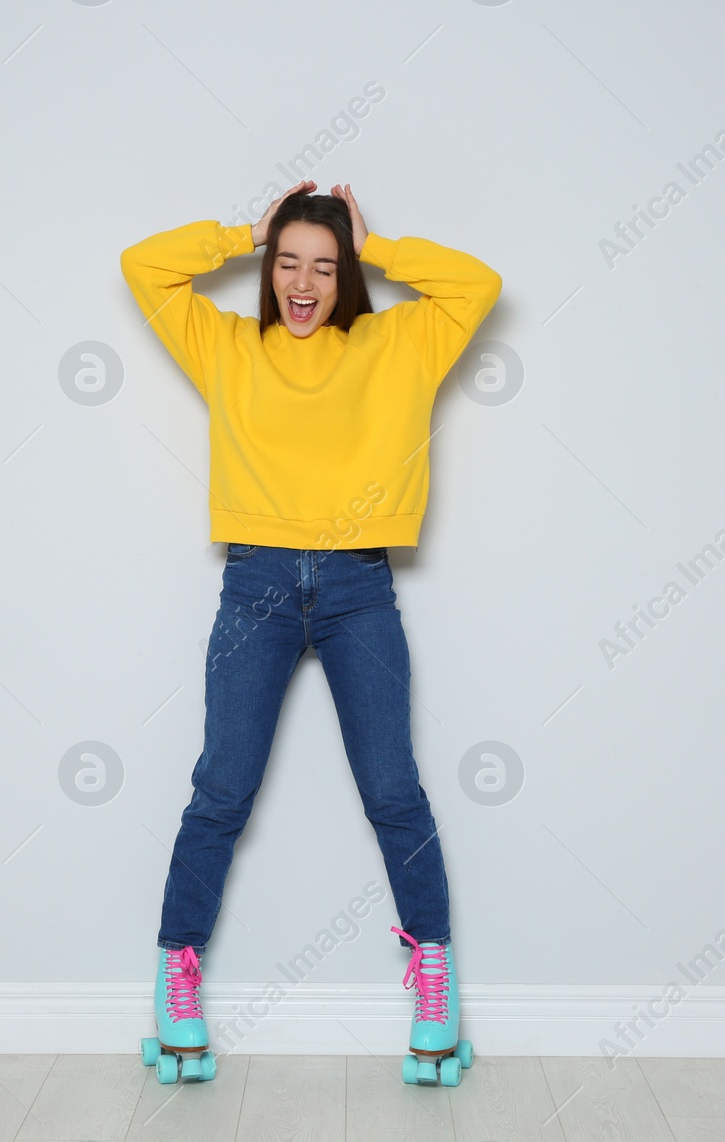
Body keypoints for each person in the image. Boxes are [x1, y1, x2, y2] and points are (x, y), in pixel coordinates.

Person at [120, 181, 501, 1086]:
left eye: (324, 268)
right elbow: (142, 266)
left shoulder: (398, 343)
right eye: (286, 262)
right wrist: (243, 232)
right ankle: (177, 975)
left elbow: (477, 284)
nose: (302, 283)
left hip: (358, 586)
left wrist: (381, 248)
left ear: (345, 276)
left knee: (393, 790)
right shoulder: (227, 347)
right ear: (267, 268)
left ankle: (434, 980)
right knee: (221, 789)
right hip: (255, 581)